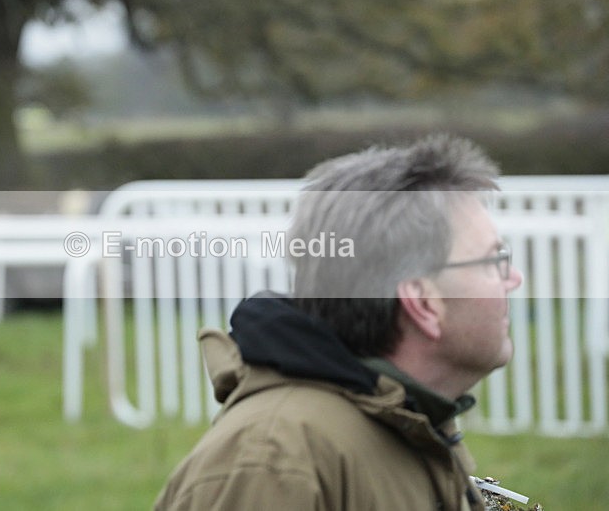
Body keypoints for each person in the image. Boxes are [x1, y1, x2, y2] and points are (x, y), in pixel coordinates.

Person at [154, 134, 523, 511]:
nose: (514, 279)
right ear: (424, 303)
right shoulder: (274, 462)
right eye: (493, 261)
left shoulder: (413, 423)